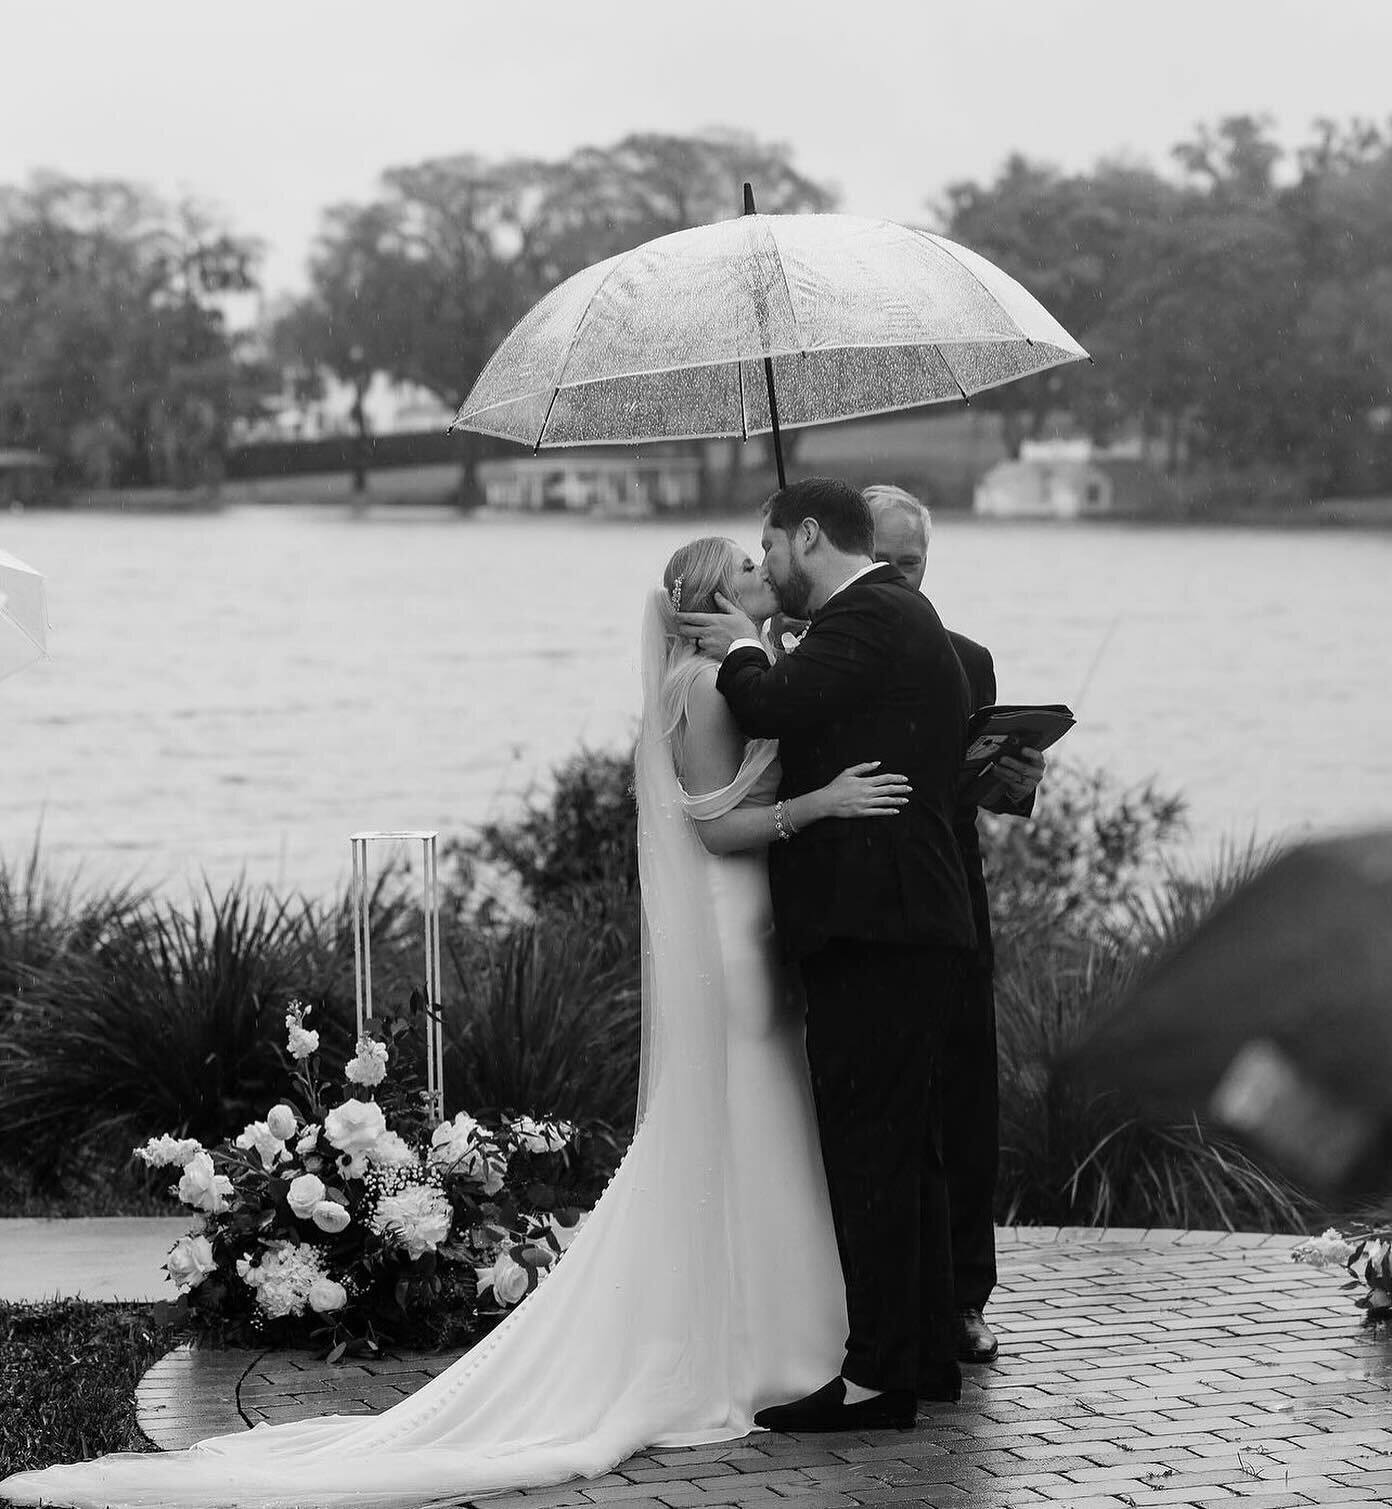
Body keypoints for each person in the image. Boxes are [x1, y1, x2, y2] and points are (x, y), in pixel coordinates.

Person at [0, 535, 915, 1509]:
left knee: (767, 1128)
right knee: (746, 1122)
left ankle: (794, 1333)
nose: (757, 574)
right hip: (732, 925)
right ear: (702, 597)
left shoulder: (755, 666)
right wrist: (817, 803)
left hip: (762, 924)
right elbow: (713, 824)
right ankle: (760, 1344)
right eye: (741, 567)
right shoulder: (703, 685)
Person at [678, 477, 978, 1433]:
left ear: (809, 536)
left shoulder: (870, 614)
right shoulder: (893, 613)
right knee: (910, 1151)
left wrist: (738, 645)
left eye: (770, 550)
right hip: (906, 924)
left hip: (877, 928)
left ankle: (878, 1376)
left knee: (872, 1154)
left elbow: (774, 699)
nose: (767, 569)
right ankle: (924, 1354)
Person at [864, 483, 1043, 1367]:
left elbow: (991, 791)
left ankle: (967, 1295)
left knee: (969, 1097)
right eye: (888, 561)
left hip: (956, 895)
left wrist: (1018, 773)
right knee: (893, 1110)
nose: (904, 577)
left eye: (914, 562)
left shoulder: (969, 658)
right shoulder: (831, 653)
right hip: (868, 902)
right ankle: (890, 1296)